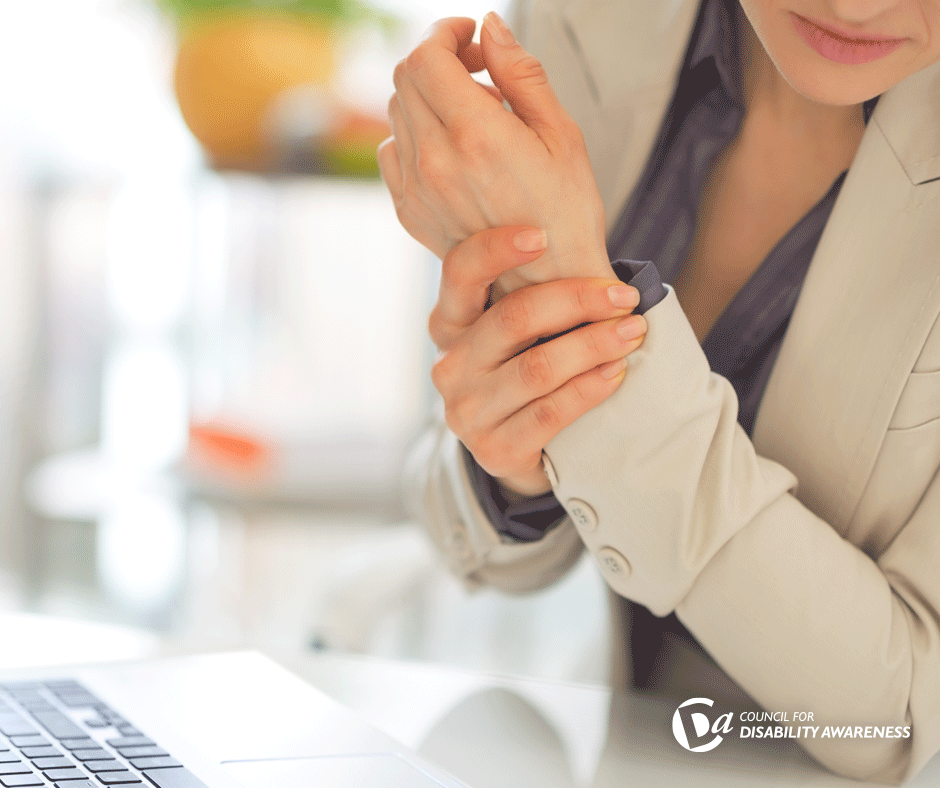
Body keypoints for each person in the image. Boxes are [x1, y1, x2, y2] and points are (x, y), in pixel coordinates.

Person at [377, 0, 940, 782]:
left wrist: (573, 300)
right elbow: (454, 515)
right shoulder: (588, 18)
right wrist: (516, 454)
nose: (852, 5)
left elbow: (909, 719)